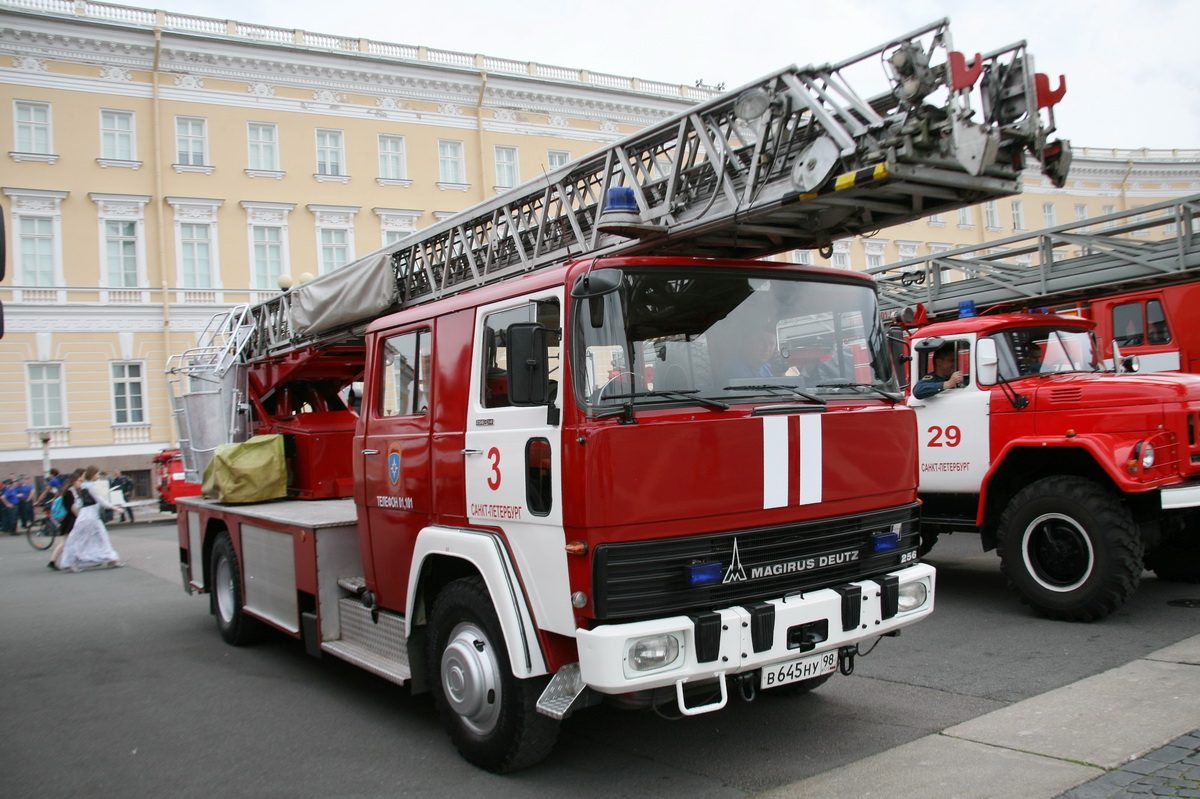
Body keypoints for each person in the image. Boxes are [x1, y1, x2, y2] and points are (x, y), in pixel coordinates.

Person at [57, 465, 123, 573]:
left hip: (90, 515)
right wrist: (114, 507)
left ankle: (111, 559)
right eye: (97, 474)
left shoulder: (84, 485)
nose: (98, 476)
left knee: (98, 537)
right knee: (83, 538)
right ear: (92, 475)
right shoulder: (88, 486)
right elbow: (99, 500)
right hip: (88, 515)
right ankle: (71, 562)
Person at [48, 469, 85, 570]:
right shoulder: (69, 493)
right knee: (68, 542)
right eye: (79, 481)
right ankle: (70, 563)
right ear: (74, 481)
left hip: (67, 520)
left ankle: (53, 561)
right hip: (70, 520)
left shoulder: (67, 491)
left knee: (64, 542)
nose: (80, 483)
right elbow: (72, 508)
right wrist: (81, 517)